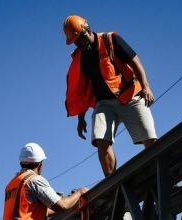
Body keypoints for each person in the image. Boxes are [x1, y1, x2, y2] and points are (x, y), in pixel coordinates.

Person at [63, 14, 158, 177]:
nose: (78, 44)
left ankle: (161, 172)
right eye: (75, 42)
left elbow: (135, 62)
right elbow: (83, 90)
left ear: (87, 30)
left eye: (79, 39)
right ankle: (113, 182)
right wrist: (80, 119)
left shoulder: (110, 40)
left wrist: (146, 87)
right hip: (104, 103)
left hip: (129, 95)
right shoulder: (80, 58)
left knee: (148, 135)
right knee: (101, 140)